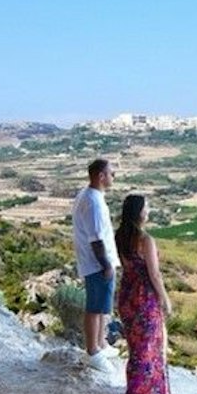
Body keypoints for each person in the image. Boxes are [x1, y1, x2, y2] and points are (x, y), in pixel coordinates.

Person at [112, 193, 172, 394]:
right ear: (139, 212)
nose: (149, 211)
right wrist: (165, 298)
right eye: (146, 208)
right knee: (148, 346)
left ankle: (134, 392)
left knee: (135, 346)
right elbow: (154, 274)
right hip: (144, 295)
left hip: (127, 294)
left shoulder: (120, 236)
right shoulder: (146, 240)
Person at [69, 158, 118, 373]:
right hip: (97, 263)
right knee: (95, 307)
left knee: (101, 305)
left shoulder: (88, 195)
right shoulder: (94, 202)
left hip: (95, 261)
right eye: (111, 173)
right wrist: (106, 264)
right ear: (101, 176)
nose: (113, 177)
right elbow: (96, 238)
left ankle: (100, 345)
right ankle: (92, 352)